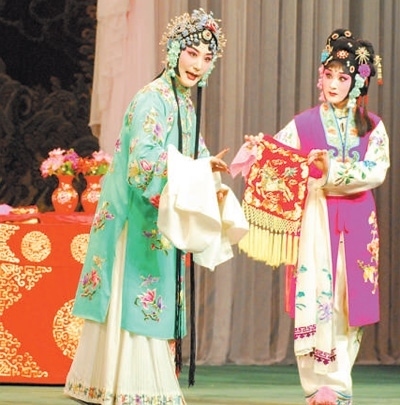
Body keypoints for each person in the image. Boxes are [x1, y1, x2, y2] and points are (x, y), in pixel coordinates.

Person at [64, 9, 231, 405]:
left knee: (153, 294)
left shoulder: (184, 105)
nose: (198, 65)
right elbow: (142, 166)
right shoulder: (152, 99)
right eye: (192, 53)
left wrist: (212, 184)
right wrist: (197, 171)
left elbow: (198, 156)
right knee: (136, 294)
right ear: (174, 51)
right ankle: (129, 385)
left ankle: (134, 384)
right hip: (134, 216)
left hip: (160, 217)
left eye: (207, 58)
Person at [240, 29, 390, 405]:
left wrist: (330, 170)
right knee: (315, 297)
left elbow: (376, 170)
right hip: (316, 220)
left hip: (356, 220)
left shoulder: (372, 126)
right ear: (320, 76)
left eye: (343, 78)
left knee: (346, 302)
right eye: (329, 75)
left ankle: (338, 383)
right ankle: (315, 386)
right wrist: (259, 151)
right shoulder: (303, 123)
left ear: (357, 83)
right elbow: (280, 159)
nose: (334, 84)